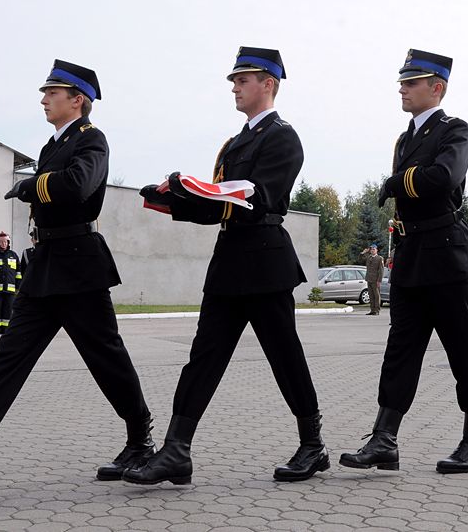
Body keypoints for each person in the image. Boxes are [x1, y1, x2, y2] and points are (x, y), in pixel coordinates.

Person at [0, 60, 155, 487]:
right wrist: (37, 179)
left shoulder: (93, 140)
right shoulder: (52, 146)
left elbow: (77, 185)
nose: (43, 99)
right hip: (46, 264)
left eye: (52, 93)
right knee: (11, 354)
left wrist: (31, 184)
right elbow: (56, 181)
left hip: (79, 264)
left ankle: (140, 441)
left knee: (105, 358)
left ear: (78, 100)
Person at [129, 46, 328, 485]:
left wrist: (196, 188)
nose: (235, 88)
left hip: (265, 261)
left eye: (242, 80)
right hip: (230, 262)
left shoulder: (283, 137)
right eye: (234, 81)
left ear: (268, 84)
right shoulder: (234, 142)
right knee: (203, 358)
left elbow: (253, 195)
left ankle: (313, 445)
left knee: (284, 356)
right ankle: (176, 450)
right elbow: (220, 206)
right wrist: (174, 201)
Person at [340, 49, 468, 474]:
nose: (402, 89)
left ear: (436, 87)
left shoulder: (455, 130)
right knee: (400, 351)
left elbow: (444, 177)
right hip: (410, 256)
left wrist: (397, 182)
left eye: (411, 82)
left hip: (444, 254)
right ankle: (384, 439)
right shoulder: (405, 138)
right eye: (402, 82)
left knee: (463, 351)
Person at [365, 244, 385, 315]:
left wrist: (379, 280)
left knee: (376, 296)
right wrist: (364, 252)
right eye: (371, 249)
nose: (372, 250)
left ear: (377, 250)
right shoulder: (369, 257)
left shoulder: (380, 258)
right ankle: (372, 310)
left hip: (375, 280)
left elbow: (381, 270)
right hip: (369, 279)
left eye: (374, 249)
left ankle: (377, 310)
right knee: (371, 295)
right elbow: (360, 258)